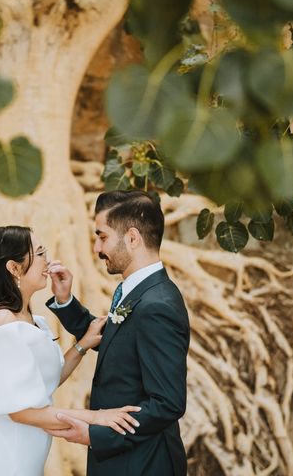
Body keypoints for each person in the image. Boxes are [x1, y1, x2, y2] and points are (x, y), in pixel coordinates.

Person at [0, 226, 140, 476]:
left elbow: (43, 383)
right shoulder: (2, 321)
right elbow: (21, 412)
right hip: (0, 461)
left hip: (22, 459)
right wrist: (96, 417)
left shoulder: (31, 319)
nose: (47, 261)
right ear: (14, 268)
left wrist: (82, 344)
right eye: (39, 253)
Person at [45, 190, 190, 476]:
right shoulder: (136, 290)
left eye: (102, 237)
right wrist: (66, 302)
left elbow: (167, 403)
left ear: (132, 238)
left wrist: (96, 436)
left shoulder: (156, 305)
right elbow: (116, 342)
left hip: (143, 463)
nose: (97, 249)